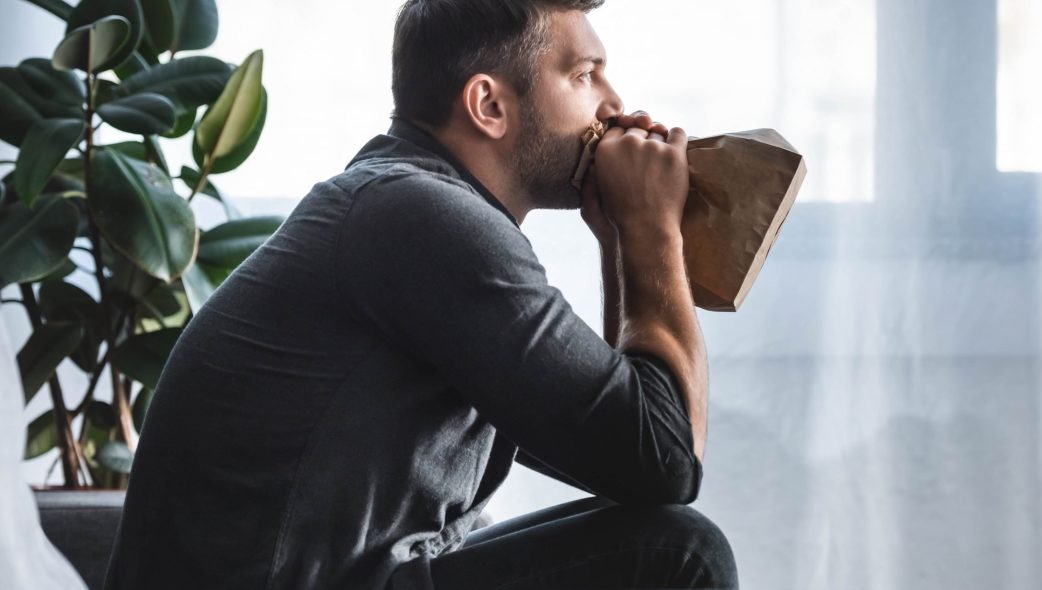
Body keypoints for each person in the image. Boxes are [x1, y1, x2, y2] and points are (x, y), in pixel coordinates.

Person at [104, 0, 738, 588]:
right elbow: (666, 461)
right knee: (678, 553)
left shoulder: (406, 206)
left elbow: (627, 462)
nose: (613, 103)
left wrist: (620, 243)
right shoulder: (421, 216)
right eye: (584, 75)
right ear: (488, 105)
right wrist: (651, 227)